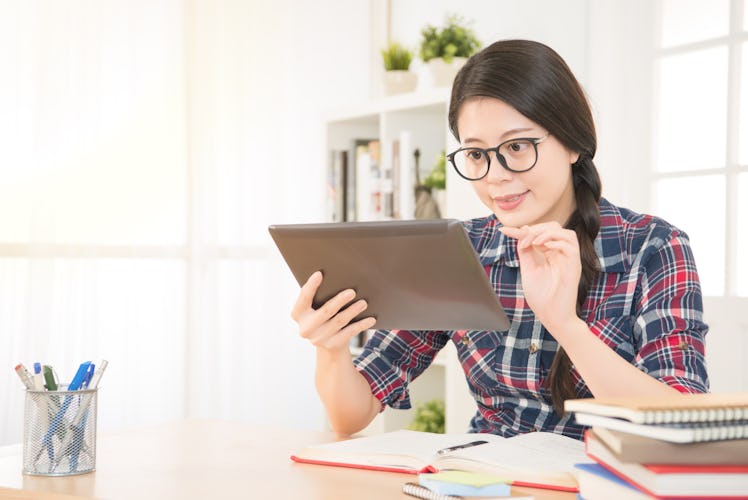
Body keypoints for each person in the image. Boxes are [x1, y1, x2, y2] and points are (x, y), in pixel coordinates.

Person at [291, 39, 709, 440]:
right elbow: (350, 416)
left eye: (517, 146)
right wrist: (331, 348)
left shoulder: (654, 247)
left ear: (573, 143)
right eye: (476, 154)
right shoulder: (458, 251)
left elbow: (681, 425)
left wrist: (566, 325)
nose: (495, 176)